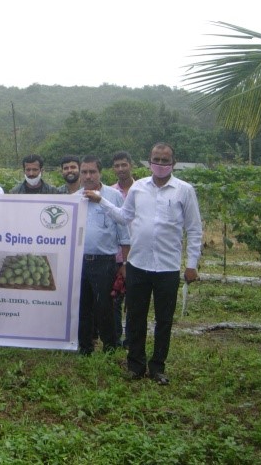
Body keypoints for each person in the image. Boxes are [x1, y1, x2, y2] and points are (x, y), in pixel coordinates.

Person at [84, 142, 201, 385]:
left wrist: (191, 264)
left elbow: (194, 229)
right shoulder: (138, 188)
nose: (160, 164)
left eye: (165, 160)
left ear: (173, 163)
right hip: (138, 264)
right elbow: (124, 217)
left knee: (164, 319)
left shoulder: (184, 190)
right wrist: (102, 202)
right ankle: (135, 365)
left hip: (167, 267)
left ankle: (157, 366)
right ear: (149, 162)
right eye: (156, 160)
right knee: (135, 316)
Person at [78, 155, 129, 356]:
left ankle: (109, 347)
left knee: (105, 307)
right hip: (79, 262)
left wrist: (125, 263)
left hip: (104, 263)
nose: (88, 176)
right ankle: (84, 347)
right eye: (84, 172)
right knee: (83, 307)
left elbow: (124, 233)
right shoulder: (75, 198)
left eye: (92, 172)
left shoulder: (113, 196)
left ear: (100, 173)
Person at [110, 151, 136, 347]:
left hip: (138, 253)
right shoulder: (110, 193)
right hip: (116, 254)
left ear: (131, 165)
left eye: (123, 165)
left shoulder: (142, 190)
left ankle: (132, 338)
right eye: (117, 166)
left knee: (134, 299)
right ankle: (117, 336)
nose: (120, 169)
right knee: (115, 298)